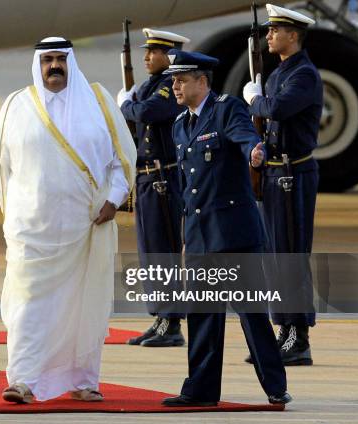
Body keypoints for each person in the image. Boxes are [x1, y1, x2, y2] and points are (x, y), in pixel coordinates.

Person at [0, 37, 136, 404]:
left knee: (83, 304)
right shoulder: (16, 105)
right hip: (31, 229)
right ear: (38, 63)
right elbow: (3, 170)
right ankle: (23, 380)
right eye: (47, 59)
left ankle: (84, 380)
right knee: (28, 304)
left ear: (71, 61)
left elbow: (122, 161)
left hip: (85, 226)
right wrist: (12, 220)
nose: (53, 66)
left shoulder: (99, 103)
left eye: (60, 59)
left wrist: (114, 200)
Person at [160, 50, 291, 407]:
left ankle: (275, 386)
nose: (175, 85)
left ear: (202, 82)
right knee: (202, 315)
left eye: (182, 79)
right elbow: (189, 186)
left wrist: (254, 152)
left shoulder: (226, 108)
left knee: (251, 315)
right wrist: (187, 237)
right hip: (201, 235)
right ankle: (200, 389)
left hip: (234, 234)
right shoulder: (179, 124)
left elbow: (244, 135)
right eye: (173, 80)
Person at [243, 3, 321, 366]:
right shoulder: (279, 73)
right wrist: (261, 151)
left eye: (276, 30)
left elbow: (276, 109)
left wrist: (254, 99)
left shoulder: (302, 74)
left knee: (291, 255)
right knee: (276, 257)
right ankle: (283, 330)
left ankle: (298, 337)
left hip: (294, 176)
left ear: (294, 34)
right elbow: (271, 124)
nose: (270, 36)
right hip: (276, 172)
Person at [117, 28, 189, 347]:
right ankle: (160, 317)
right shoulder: (150, 85)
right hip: (147, 177)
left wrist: (126, 104)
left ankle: (171, 323)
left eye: (153, 52)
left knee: (164, 250)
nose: (146, 57)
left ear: (168, 55)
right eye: (146, 51)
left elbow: (148, 112)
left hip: (163, 179)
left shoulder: (168, 87)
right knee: (150, 252)